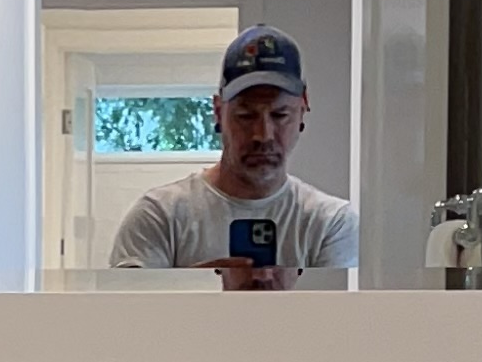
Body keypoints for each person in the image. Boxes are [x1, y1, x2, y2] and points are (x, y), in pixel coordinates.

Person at [106, 26, 356, 289]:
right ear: (217, 112)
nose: (263, 135)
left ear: (303, 109)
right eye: (245, 116)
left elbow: (345, 325)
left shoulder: (331, 223)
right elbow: (128, 320)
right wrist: (199, 286)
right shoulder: (159, 216)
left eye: (280, 115)